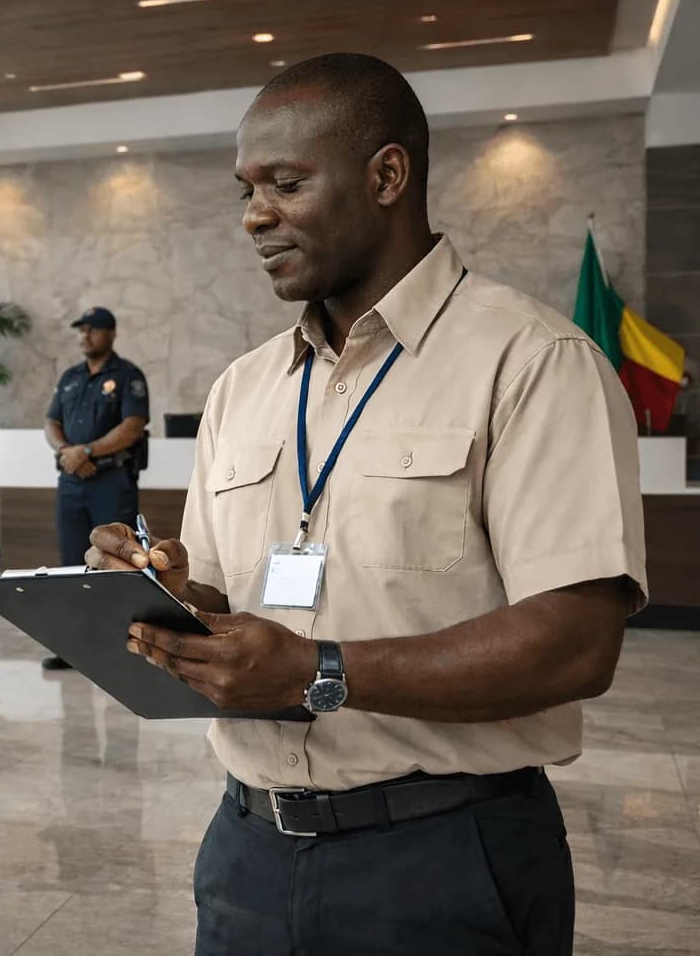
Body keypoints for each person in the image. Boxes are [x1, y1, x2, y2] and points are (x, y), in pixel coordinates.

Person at [88, 53, 645, 955]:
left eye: (286, 182)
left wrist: (320, 669)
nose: (254, 214)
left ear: (388, 176)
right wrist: (166, 600)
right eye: (245, 190)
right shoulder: (243, 388)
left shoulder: (534, 362)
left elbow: (578, 641)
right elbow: (235, 613)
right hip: (246, 855)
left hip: (446, 859)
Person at [42, 306, 149, 669]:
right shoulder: (71, 377)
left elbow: (133, 426)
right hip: (72, 483)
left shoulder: (127, 376)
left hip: (111, 481)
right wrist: (67, 453)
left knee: (117, 564)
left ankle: (122, 646)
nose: (84, 336)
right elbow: (51, 422)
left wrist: (86, 451)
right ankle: (74, 647)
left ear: (111, 334)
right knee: (72, 564)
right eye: (81, 330)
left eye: (93, 330)